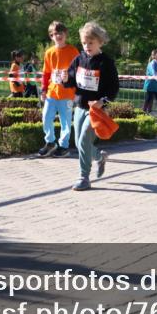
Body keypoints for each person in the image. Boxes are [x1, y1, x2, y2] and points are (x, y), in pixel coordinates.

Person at [63, 21, 119, 191]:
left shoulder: (106, 63)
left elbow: (114, 88)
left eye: (91, 43)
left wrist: (102, 102)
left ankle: (84, 177)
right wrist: (65, 79)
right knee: (79, 142)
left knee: (83, 140)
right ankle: (99, 157)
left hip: (96, 111)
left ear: (100, 42)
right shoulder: (79, 59)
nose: (87, 46)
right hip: (79, 107)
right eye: (84, 43)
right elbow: (71, 81)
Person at [39, 21, 80, 158]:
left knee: (66, 122)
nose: (58, 36)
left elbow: (78, 72)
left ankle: (64, 146)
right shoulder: (49, 52)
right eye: (55, 34)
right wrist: (43, 90)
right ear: (51, 36)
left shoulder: (73, 51)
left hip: (67, 94)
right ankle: (50, 142)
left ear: (65, 34)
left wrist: (76, 91)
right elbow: (46, 73)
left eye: (60, 33)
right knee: (46, 118)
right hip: (51, 93)